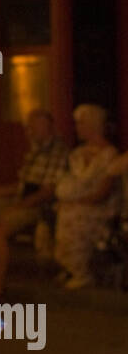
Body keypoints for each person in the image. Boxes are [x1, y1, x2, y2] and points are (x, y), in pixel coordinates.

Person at [0, 109, 68, 298]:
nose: (30, 131)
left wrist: (19, 206)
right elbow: (22, 185)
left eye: (33, 127)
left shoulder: (59, 152)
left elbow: (48, 191)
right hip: (20, 199)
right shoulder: (35, 150)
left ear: (47, 127)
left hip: (38, 206)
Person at [54, 104, 121, 289]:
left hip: (100, 208)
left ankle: (81, 272)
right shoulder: (77, 154)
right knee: (64, 214)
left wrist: (77, 203)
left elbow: (103, 192)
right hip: (77, 203)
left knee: (73, 216)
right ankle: (70, 267)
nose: (77, 128)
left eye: (81, 124)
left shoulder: (109, 155)